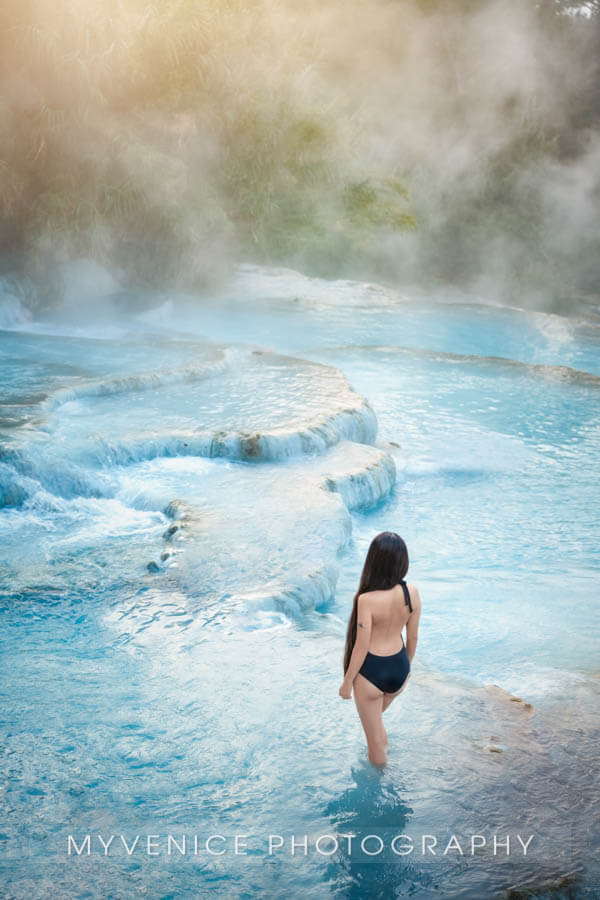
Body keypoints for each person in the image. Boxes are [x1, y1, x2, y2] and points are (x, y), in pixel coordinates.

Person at [339, 531, 421, 766]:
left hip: (372, 673)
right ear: (402, 562)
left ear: (373, 562)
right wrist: (407, 670)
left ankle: (378, 784)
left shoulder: (367, 599)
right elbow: (413, 637)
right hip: (400, 668)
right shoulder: (411, 592)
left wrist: (347, 683)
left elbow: (361, 646)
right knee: (377, 728)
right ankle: (383, 751)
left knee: (373, 741)